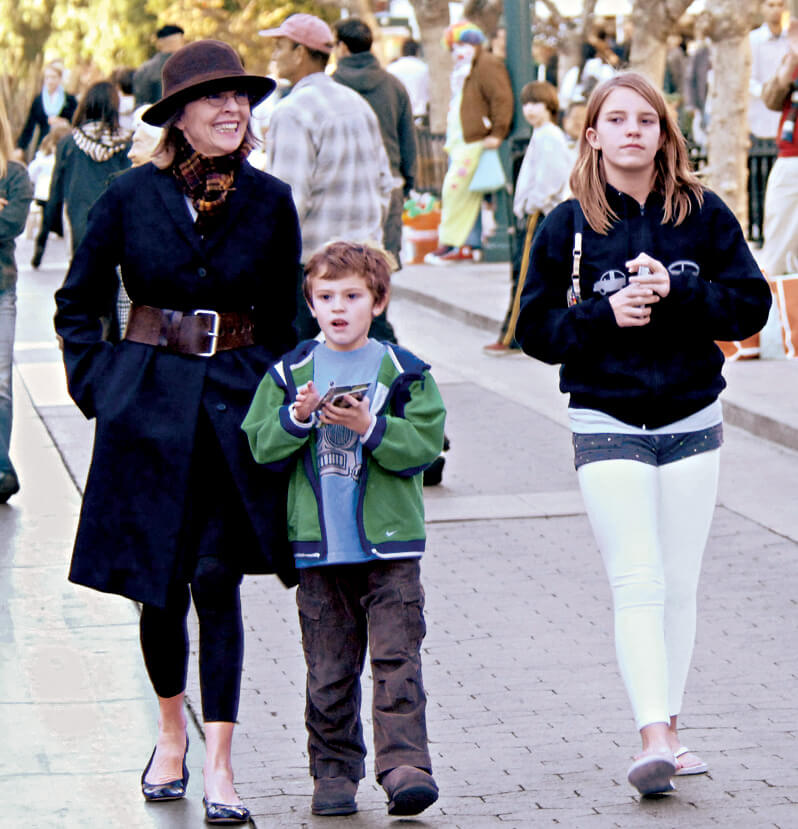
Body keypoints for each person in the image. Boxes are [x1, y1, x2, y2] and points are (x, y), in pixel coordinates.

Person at [53, 40, 300, 823]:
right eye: (214, 98)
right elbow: (77, 300)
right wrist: (100, 388)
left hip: (234, 415)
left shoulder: (270, 201)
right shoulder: (130, 198)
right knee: (157, 591)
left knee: (217, 581)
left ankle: (222, 764)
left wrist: (272, 397)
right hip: (146, 416)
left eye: (242, 98)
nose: (233, 109)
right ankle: (171, 736)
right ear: (177, 117)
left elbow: (290, 324)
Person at [515, 73, 771, 797]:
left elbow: (749, 306)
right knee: (638, 576)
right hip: (605, 416)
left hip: (693, 417)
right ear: (591, 134)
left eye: (646, 120)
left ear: (665, 134)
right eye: (616, 119)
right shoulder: (566, 226)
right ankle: (652, 735)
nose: (632, 131)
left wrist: (680, 290)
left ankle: (674, 726)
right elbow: (534, 328)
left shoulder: (705, 213)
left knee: (680, 583)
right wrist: (605, 316)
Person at [242, 240, 445, 818]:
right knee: (328, 671)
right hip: (319, 553)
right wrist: (297, 417)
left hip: (391, 553)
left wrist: (369, 425)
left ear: (377, 302)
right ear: (310, 302)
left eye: (352, 295)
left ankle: (405, 765)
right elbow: (260, 441)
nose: (338, 307)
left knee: (396, 661)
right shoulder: (290, 372)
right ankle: (333, 772)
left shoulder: (404, 371)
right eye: (325, 296)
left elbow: (424, 448)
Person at [260, 13, 396, 339]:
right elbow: (384, 184)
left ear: (301, 52)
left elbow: (290, 201)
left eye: (280, 46)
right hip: (364, 260)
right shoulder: (357, 104)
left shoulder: (293, 111)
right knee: (365, 367)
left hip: (315, 268)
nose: (275, 55)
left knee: (310, 371)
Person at [484, 81, 571, 356]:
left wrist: (532, 204)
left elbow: (551, 179)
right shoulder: (543, 135)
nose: (530, 110)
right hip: (536, 211)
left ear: (549, 106)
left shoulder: (549, 137)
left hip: (538, 214)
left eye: (536, 103)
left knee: (523, 274)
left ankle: (513, 336)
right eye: (526, 104)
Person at [424, 21, 512, 265]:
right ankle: (458, 242)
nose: (457, 51)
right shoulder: (468, 67)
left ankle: (456, 243)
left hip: (475, 140)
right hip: (465, 140)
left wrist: (497, 132)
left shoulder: (486, 65)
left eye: (462, 44)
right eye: (454, 46)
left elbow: (501, 99)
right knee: (458, 192)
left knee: (455, 190)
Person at [333, 17, 417, 269]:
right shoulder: (394, 86)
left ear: (343, 47)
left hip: (342, 186)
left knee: (341, 269)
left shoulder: (331, 87)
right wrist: (407, 180)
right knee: (382, 268)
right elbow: (407, 139)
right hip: (389, 183)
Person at [37, 81, 132, 269]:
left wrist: (41, 244)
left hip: (79, 224)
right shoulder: (127, 144)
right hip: (118, 226)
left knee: (82, 281)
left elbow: (55, 192)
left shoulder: (69, 143)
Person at [0, 99, 33, 503]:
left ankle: (1, 466)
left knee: (1, 384)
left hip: (0, 288)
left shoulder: (15, 175)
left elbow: (12, 224)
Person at [761, 17, 798, 277]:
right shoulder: (793, 56)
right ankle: (779, 314)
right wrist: (792, 58)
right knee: (778, 250)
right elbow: (771, 99)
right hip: (790, 159)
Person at [14, 62, 77, 161]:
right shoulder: (39, 100)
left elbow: (76, 122)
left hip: (63, 143)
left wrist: (62, 122)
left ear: (60, 79)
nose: (50, 81)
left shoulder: (69, 100)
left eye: (53, 77)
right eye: (47, 78)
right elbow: (29, 126)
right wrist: (21, 147)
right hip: (44, 143)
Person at [749, 0, 789, 140]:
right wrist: (767, 93)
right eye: (771, 5)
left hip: (787, 118)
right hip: (759, 121)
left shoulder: (791, 39)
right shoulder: (752, 40)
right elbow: (748, 79)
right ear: (762, 8)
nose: (776, 9)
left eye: (780, 5)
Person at [133, 24, 185, 106]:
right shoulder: (188, 66)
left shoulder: (143, 69)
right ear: (181, 40)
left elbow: (139, 104)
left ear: (159, 43)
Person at [386, 38, 430, 123]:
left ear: (402, 51)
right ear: (417, 51)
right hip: (421, 115)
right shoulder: (424, 68)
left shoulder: (391, 69)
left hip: (398, 116)